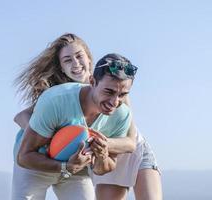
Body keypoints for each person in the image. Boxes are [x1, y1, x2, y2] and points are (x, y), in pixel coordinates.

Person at [12, 33, 162, 200]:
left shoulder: (119, 104)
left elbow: (128, 145)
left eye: (79, 56)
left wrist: (101, 148)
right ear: (93, 82)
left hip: (90, 161)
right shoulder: (57, 98)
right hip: (40, 161)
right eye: (68, 60)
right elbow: (23, 130)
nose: (114, 101)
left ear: (89, 59)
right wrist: (55, 138)